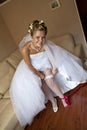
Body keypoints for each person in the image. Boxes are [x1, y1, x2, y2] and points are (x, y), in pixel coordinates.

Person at [10, 20, 87, 126]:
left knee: (50, 80)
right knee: (42, 85)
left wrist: (54, 67)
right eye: (37, 37)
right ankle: (53, 101)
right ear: (31, 36)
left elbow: (51, 55)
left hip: (44, 62)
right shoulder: (25, 49)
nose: (40, 41)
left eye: (43, 37)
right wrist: (39, 74)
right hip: (33, 68)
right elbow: (29, 66)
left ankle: (62, 98)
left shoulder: (44, 43)